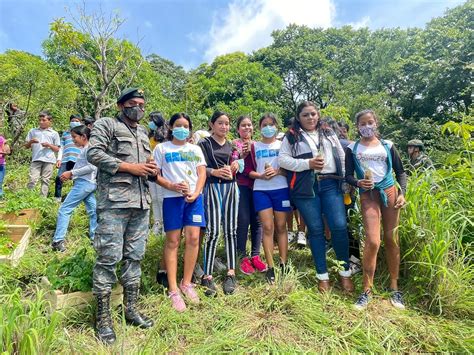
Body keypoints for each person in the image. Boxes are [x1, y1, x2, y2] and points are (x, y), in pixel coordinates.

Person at [87, 88, 155, 344]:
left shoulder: (142, 131)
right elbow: (93, 154)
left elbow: (144, 164)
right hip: (114, 203)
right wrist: (130, 167)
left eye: (141, 104)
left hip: (140, 203)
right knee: (108, 258)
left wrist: (149, 168)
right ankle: (103, 318)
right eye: (133, 103)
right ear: (121, 105)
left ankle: (131, 309)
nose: (138, 107)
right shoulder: (107, 124)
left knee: (134, 257)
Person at [279, 101, 353, 293]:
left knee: (338, 226)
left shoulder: (329, 133)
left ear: (318, 115)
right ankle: (323, 275)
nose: (310, 118)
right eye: (305, 115)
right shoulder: (291, 136)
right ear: (299, 117)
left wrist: (345, 182)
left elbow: (341, 156)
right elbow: (283, 160)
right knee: (316, 229)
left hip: (331, 183)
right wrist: (308, 163)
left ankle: (344, 272)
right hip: (306, 187)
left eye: (313, 114)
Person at [345, 109, 407, 310]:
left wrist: (402, 193)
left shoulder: (388, 145)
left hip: (389, 192)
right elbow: (348, 176)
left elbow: (401, 171)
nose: (366, 126)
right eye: (362, 123)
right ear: (357, 127)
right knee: (373, 240)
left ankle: (394, 287)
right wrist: (358, 182)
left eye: (370, 122)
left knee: (391, 239)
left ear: (376, 123)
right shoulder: (353, 149)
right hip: (368, 194)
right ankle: (366, 289)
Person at [154, 113, 207, 312]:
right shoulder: (162, 148)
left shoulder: (195, 149)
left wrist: (196, 192)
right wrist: (171, 185)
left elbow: (201, 173)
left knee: (193, 239)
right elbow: (155, 174)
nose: (182, 129)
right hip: (172, 199)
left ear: (190, 129)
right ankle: (173, 288)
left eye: (186, 126)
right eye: (178, 125)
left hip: (194, 199)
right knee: (173, 241)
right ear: (171, 127)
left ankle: (187, 282)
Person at [198, 111, 241, 296]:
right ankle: (207, 275)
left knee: (231, 230)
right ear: (212, 124)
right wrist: (214, 172)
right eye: (220, 123)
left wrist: (238, 165)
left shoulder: (232, 145)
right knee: (213, 230)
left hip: (231, 188)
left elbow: (239, 162)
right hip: (213, 188)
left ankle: (231, 272)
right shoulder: (204, 144)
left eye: (227, 123)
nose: (224, 127)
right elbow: (198, 167)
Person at [247, 113, 290, 283]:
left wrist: (278, 171)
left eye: (271, 124)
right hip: (261, 190)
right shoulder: (253, 146)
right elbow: (248, 171)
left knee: (281, 226)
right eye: (264, 124)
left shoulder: (283, 145)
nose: (268, 127)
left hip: (281, 188)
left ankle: (283, 263)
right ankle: (271, 267)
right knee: (267, 227)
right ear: (259, 128)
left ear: (276, 127)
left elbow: (290, 169)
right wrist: (261, 176)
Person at [51, 125, 97, 252]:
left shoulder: (89, 149)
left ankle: (58, 241)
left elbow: (92, 167)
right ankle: (95, 238)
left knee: (64, 209)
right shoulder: (86, 149)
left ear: (83, 137)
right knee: (93, 211)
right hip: (88, 183)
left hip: (84, 184)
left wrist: (71, 173)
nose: (73, 140)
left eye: (74, 137)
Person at [234, 115, 266, 276]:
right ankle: (242, 256)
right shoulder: (234, 144)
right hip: (242, 185)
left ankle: (255, 255)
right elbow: (233, 165)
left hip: (258, 186)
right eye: (243, 126)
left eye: (249, 125)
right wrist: (241, 155)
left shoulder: (258, 145)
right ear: (238, 129)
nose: (247, 128)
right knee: (243, 219)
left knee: (257, 220)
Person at [25, 111, 61, 197]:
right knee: (33, 179)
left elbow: (57, 148)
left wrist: (49, 145)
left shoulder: (54, 133)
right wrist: (31, 142)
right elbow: (26, 146)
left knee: (46, 180)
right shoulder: (33, 131)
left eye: (44, 120)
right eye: (40, 120)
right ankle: (29, 197)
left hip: (49, 160)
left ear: (50, 121)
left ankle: (42, 199)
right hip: (36, 158)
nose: (41, 122)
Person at [54, 114, 83, 202]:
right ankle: (57, 198)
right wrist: (59, 159)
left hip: (78, 160)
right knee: (59, 178)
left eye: (77, 121)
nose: (74, 123)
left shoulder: (83, 134)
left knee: (77, 180)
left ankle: (75, 199)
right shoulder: (65, 134)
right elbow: (61, 147)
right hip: (66, 159)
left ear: (80, 122)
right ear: (70, 122)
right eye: (73, 121)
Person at [148, 111, 167, 234]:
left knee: (161, 198)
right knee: (154, 198)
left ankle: (165, 224)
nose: (150, 123)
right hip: (150, 169)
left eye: (152, 120)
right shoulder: (149, 135)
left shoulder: (165, 136)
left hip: (161, 170)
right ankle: (157, 222)